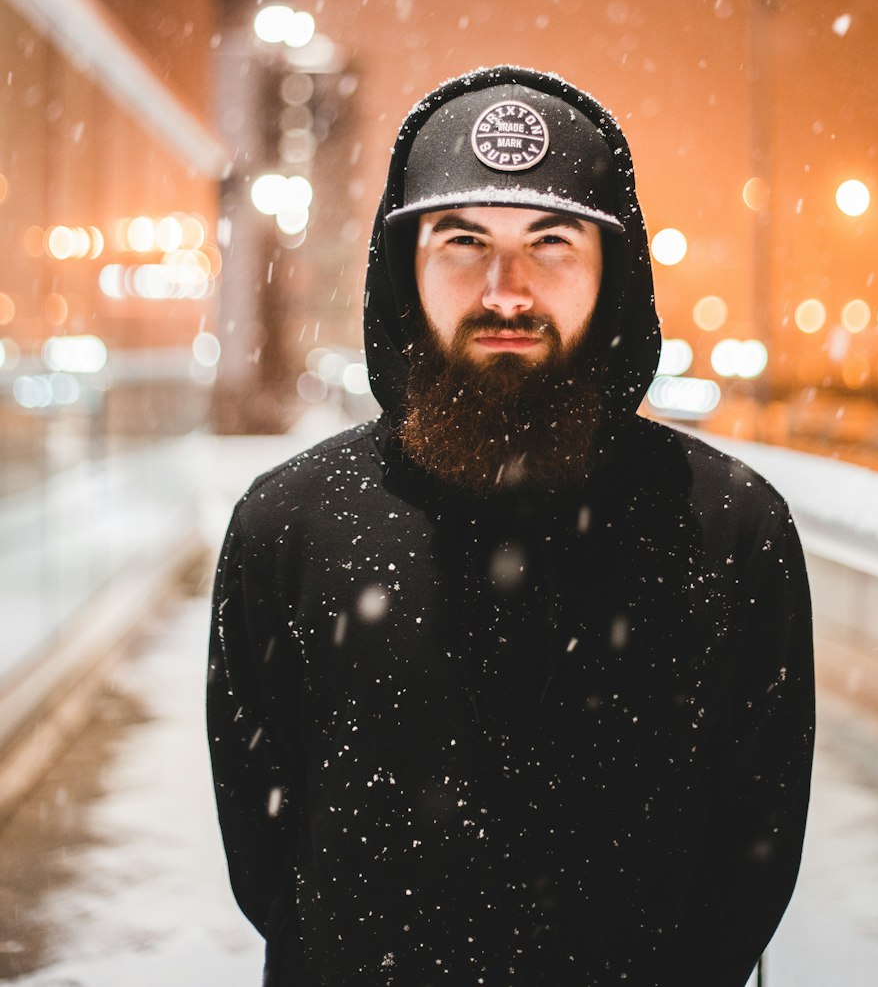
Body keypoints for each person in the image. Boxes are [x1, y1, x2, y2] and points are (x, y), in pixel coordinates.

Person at [207, 65, 814, 987]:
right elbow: (265, 855)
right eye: (462, 241)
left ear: (614, 271)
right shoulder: (290, 527)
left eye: (552, 243)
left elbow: (752, 854)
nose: (506, 291)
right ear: (403, 266)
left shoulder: (729, 530)